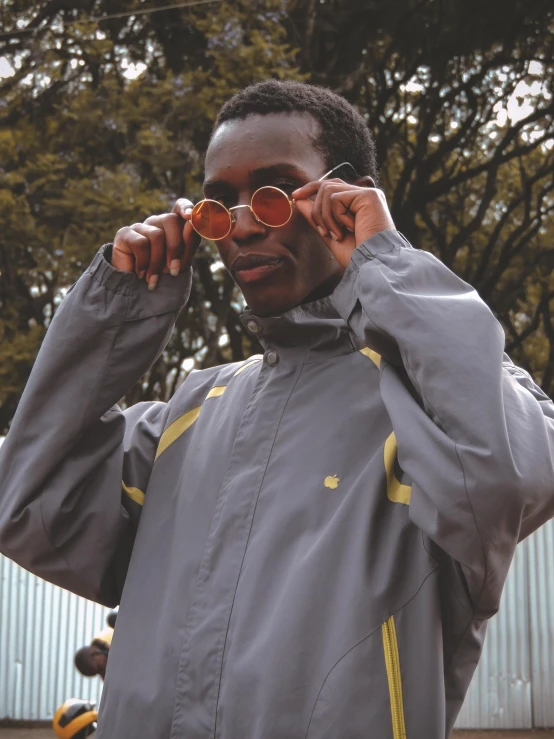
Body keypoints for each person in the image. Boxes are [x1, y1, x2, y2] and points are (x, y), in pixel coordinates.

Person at [0, 79, 553, 738]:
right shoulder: (189, 413)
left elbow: (507, 475)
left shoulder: (435, 402)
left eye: (271, 191)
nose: (240, 224)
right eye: (217, 203)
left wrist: (386, 263)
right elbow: (25, 500)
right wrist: (113, 311)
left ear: (350, 197)